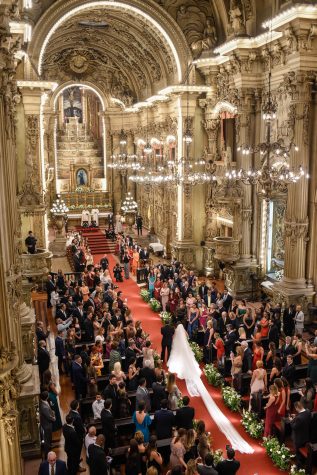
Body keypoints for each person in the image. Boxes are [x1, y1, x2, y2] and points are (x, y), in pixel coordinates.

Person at [39, 391, 56, 457]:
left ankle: (50, 446)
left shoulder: (44, 402)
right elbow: (48, 416)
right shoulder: (44, 407)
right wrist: (53, 418)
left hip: (47, 423)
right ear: (46, 397)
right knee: (47, 438)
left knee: (49, 436)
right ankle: (47, 453)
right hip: (46, 424)